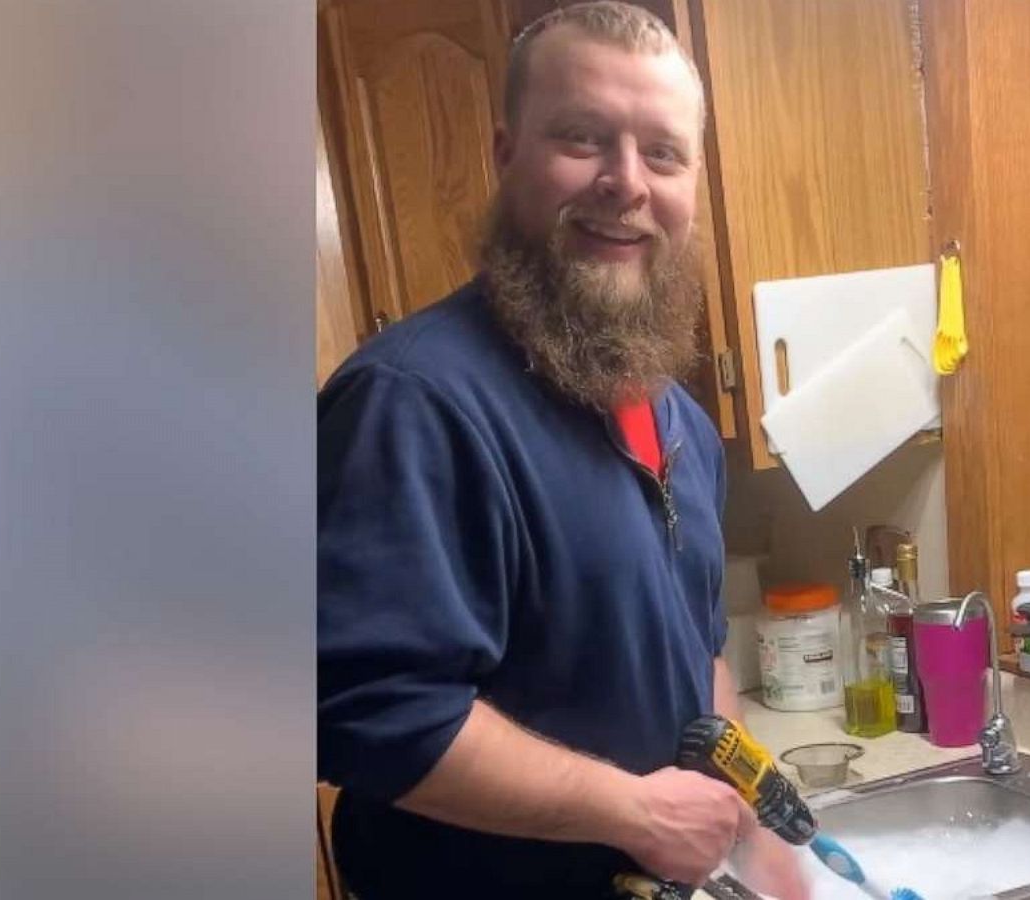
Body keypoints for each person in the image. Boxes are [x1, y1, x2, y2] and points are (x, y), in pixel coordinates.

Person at [316, 4, 810, 898]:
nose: (626, 183)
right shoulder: (414, 403)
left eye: (662, 153)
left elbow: (701, 656)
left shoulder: (683, 428)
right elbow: (372, 712)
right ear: (506, 156)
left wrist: (741, 813)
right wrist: (634, 812)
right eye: (583, 138)